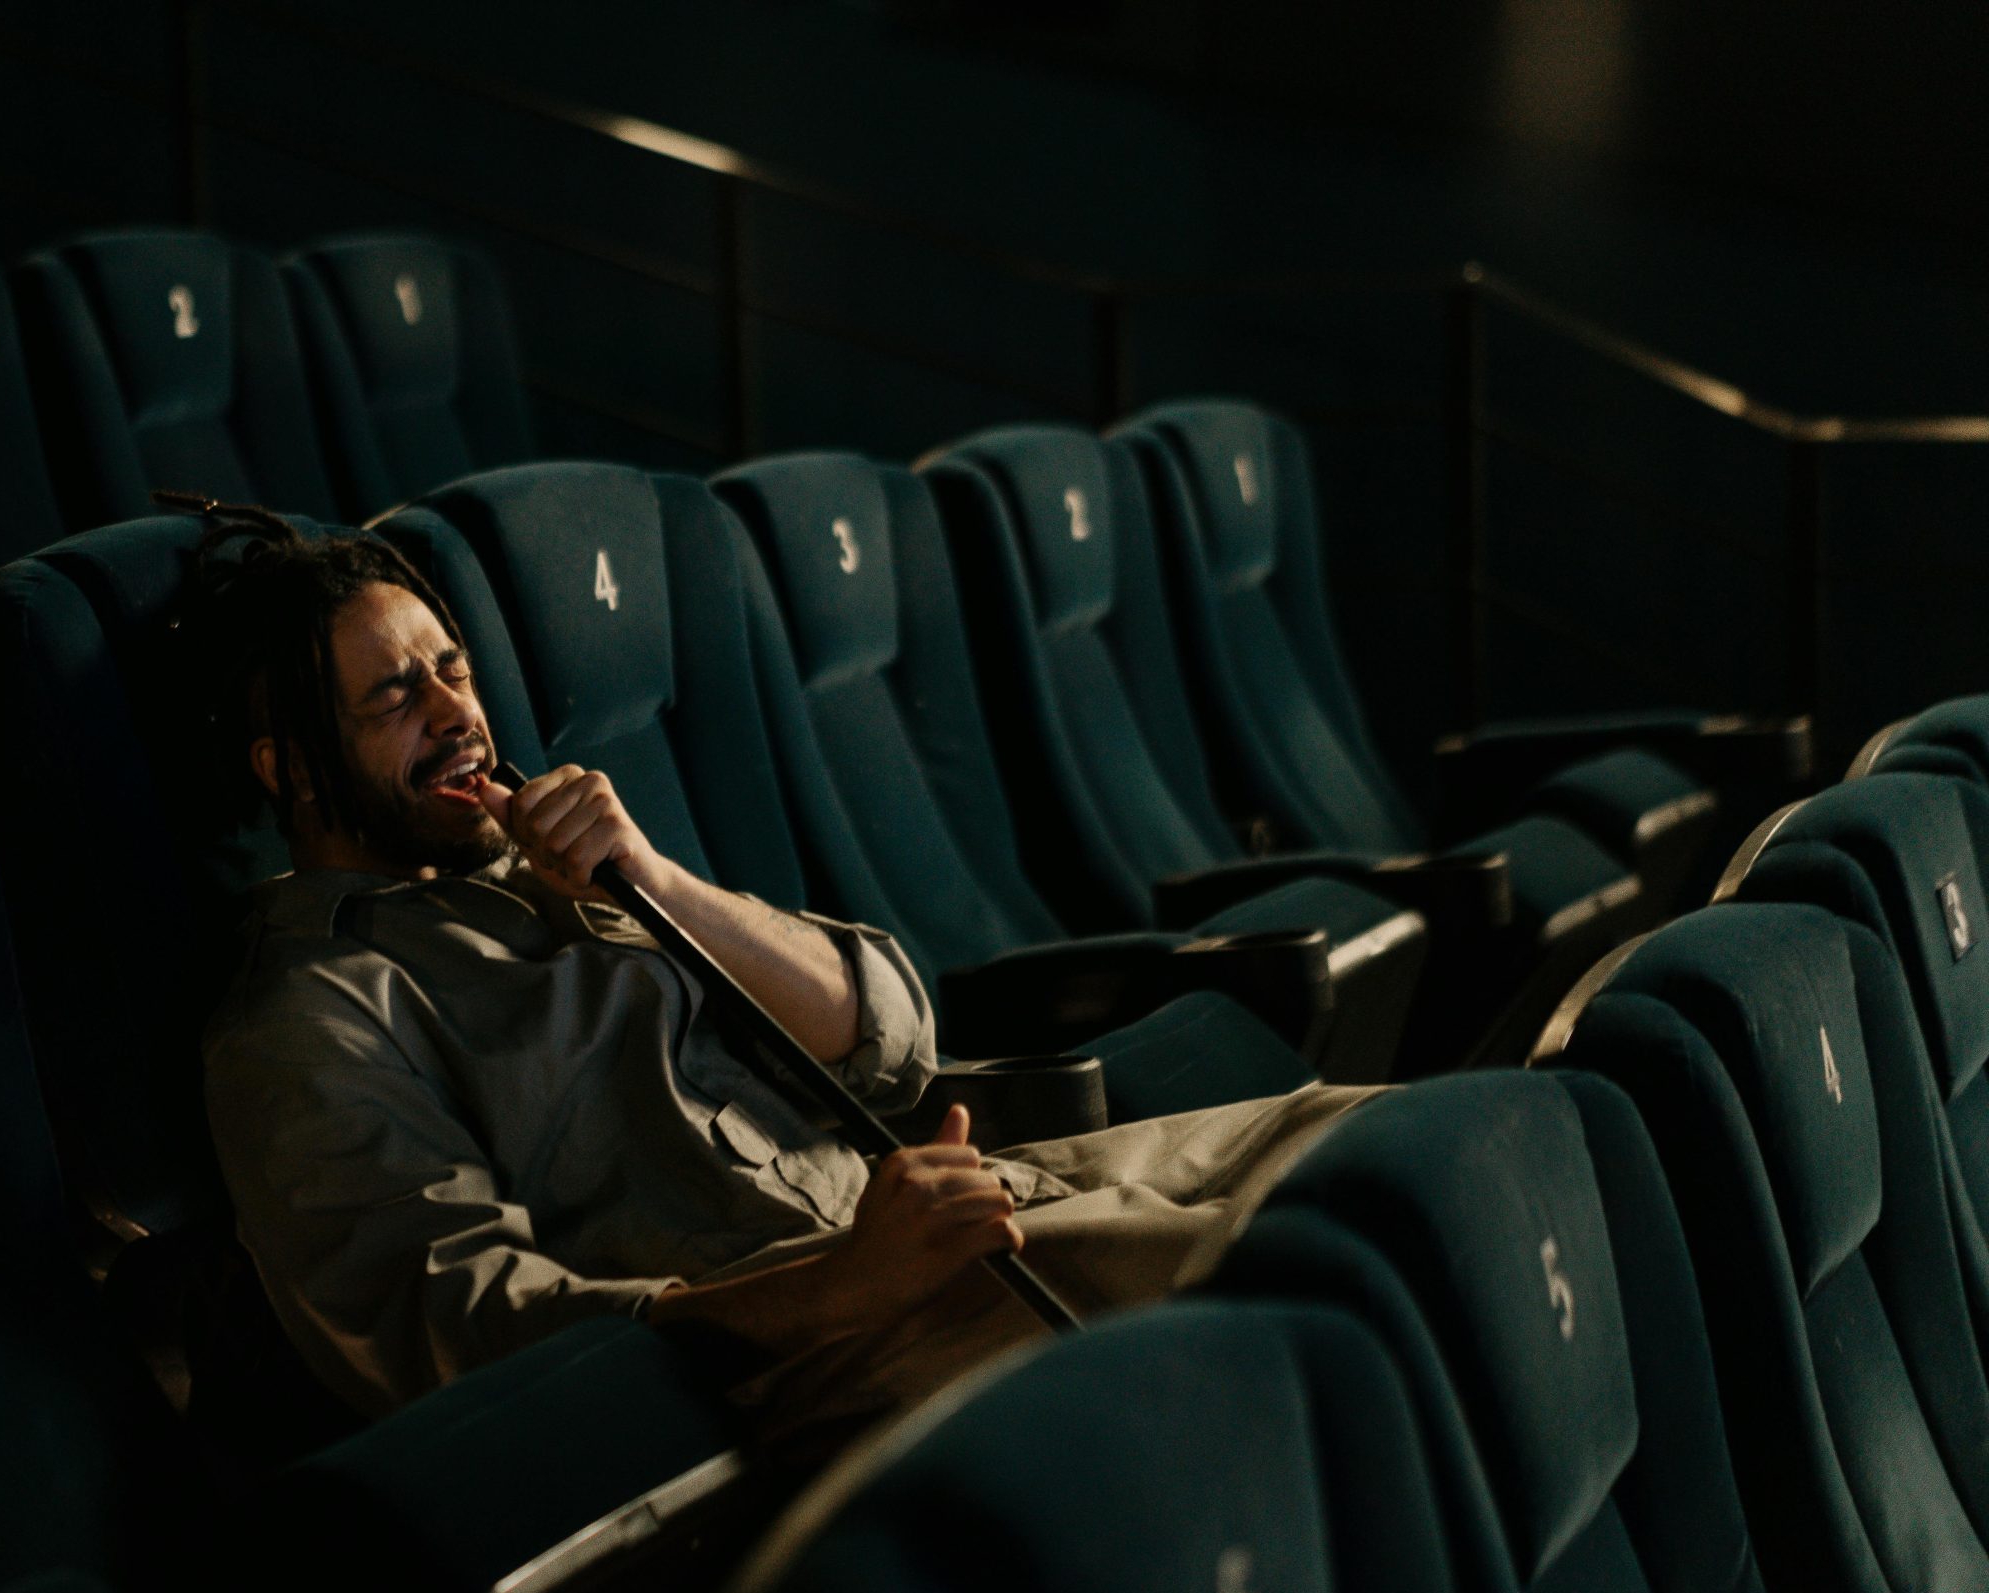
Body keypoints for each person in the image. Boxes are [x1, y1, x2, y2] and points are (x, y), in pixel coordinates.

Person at [198, 512, 1375, 1434]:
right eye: (396, 699)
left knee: (1379, 1154)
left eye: (451, 670)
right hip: (809, 1339)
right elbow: (460, 1337)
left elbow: (890, 1027)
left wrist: (652, 881)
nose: (455, 713)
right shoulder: (310, 1014)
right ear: (293, 770)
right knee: (1312, 1285)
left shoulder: (555, 862)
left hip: (943, 1199)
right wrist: (846, 1285)